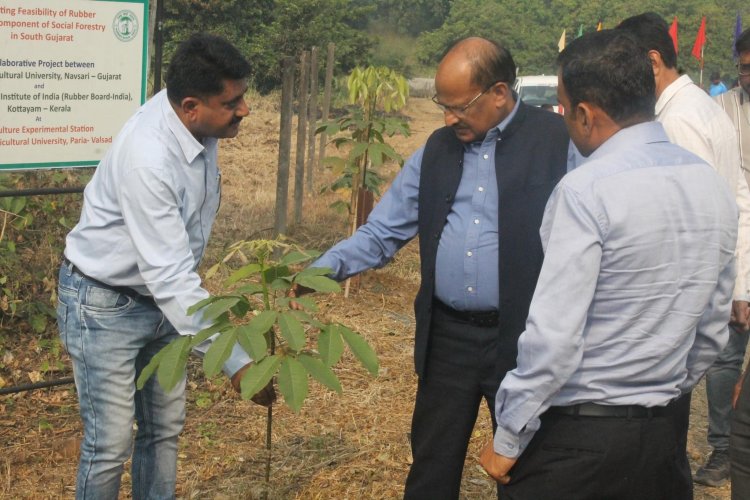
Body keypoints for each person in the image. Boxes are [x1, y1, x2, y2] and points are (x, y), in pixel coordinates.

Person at [298, 37, 572, 498]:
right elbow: (381, 232)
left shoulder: (558, 142)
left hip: (525, 338)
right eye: (442, 106)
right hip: (448, 340)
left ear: (500, 93)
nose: (449, 119)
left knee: (527, 468)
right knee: (432, 466)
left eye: (459, 107)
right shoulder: (437, 150)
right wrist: (315, 273)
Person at [479, 29, 737, 499]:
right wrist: (664, 391)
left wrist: (510, 433)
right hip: (662, 441)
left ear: (583, 114)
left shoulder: (585, 191)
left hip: (579, 441)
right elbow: (712, 329)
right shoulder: (710, 185)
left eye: (563, 107)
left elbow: (553, 338)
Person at [57, 33, 273, 500]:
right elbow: (172, 278)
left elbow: (172, 278)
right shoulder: (149, 159)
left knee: (164, 429)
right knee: (110, 443)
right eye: (231, 101)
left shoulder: (193, 122)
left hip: (165, 304)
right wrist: (238, 362)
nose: (244, 110)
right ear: (191, 105)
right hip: (105, 306)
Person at [617, 12, 750, 490]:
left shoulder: (680, 120)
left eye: (624, 64)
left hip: (690, 283)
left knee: (672, 411)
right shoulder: (697, 106)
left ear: (652, 62)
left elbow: (693, 216)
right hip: (710, 277)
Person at [727, 27, 750, 500]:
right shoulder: (722, 110)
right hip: (737, 241)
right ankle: (719, 448)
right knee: (727, 353)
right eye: (744, 66)